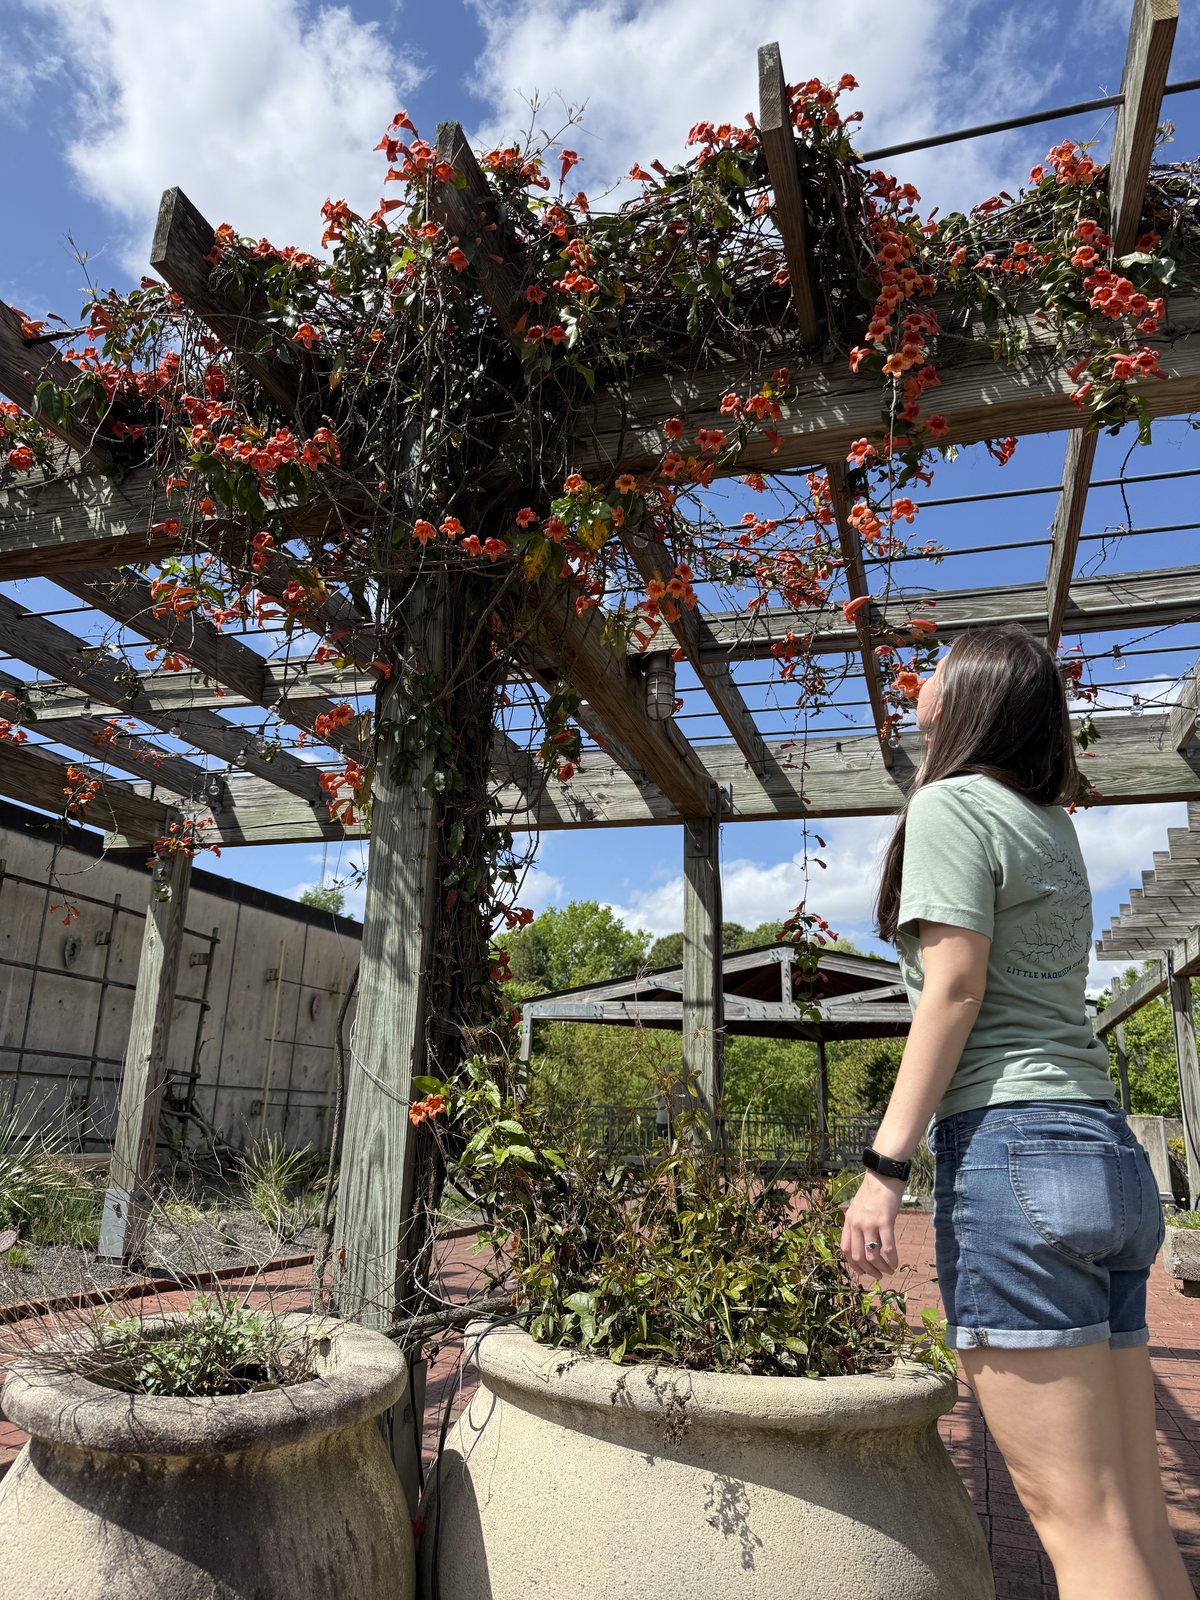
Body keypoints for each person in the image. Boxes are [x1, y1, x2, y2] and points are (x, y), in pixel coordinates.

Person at [840, 623, 1194, 1600]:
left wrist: (884, 1168)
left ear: (966, 697)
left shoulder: (953, 804)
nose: (923, 674)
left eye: (941, 664)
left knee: (1078, 1530)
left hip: (1014, 1152)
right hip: (1105, 1151)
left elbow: (952, 990)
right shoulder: (1053, 821)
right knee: (1128, 1518)